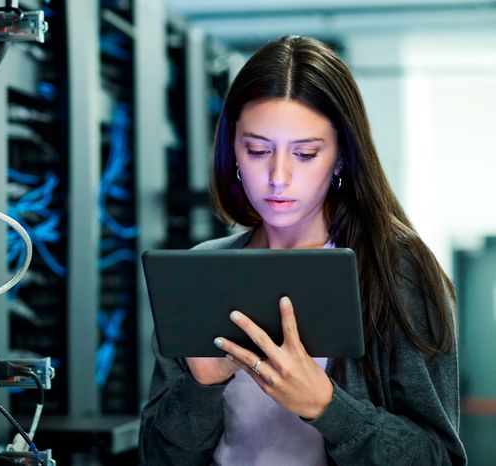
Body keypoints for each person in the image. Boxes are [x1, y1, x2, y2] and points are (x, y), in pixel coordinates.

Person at [139, 36, 466, 465]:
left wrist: (327, 408)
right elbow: (157, 457)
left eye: (306, 153)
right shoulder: (205, 268)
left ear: (342, 157)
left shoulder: (398, 273)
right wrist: (201, 387)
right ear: (232, 149)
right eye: (257, 150)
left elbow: (438, 458)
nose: (279, 177)